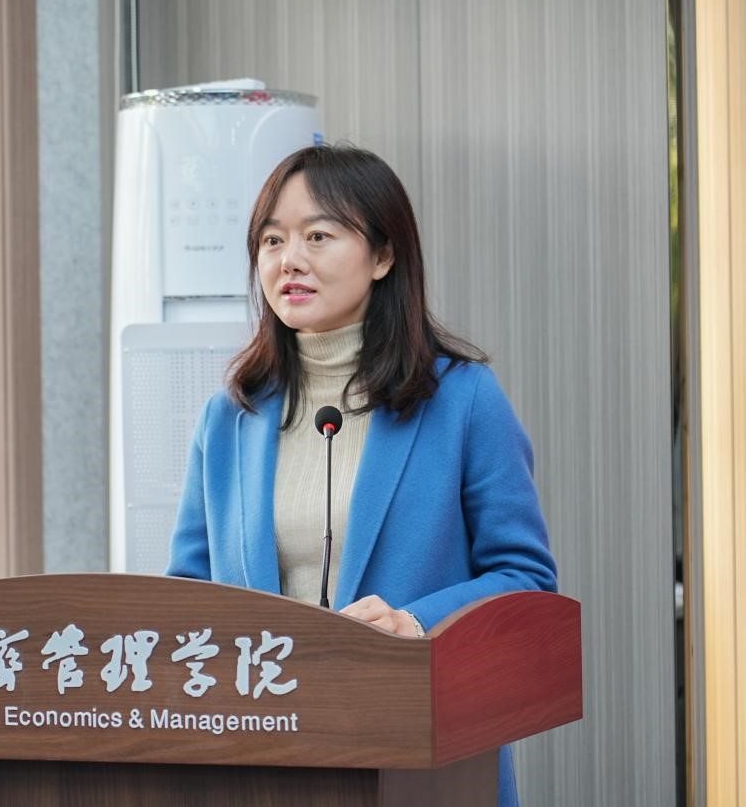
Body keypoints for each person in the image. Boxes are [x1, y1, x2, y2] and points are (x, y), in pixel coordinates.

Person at [166, 145, 557, 807]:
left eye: (318, 236)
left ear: (382, 256)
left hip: (418, 759)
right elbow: (188, 595)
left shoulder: (462, 400)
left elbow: (525, 580)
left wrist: (414, 623)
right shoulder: (229, 417)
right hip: (261, 765)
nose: (289, 260)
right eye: (272, 240)